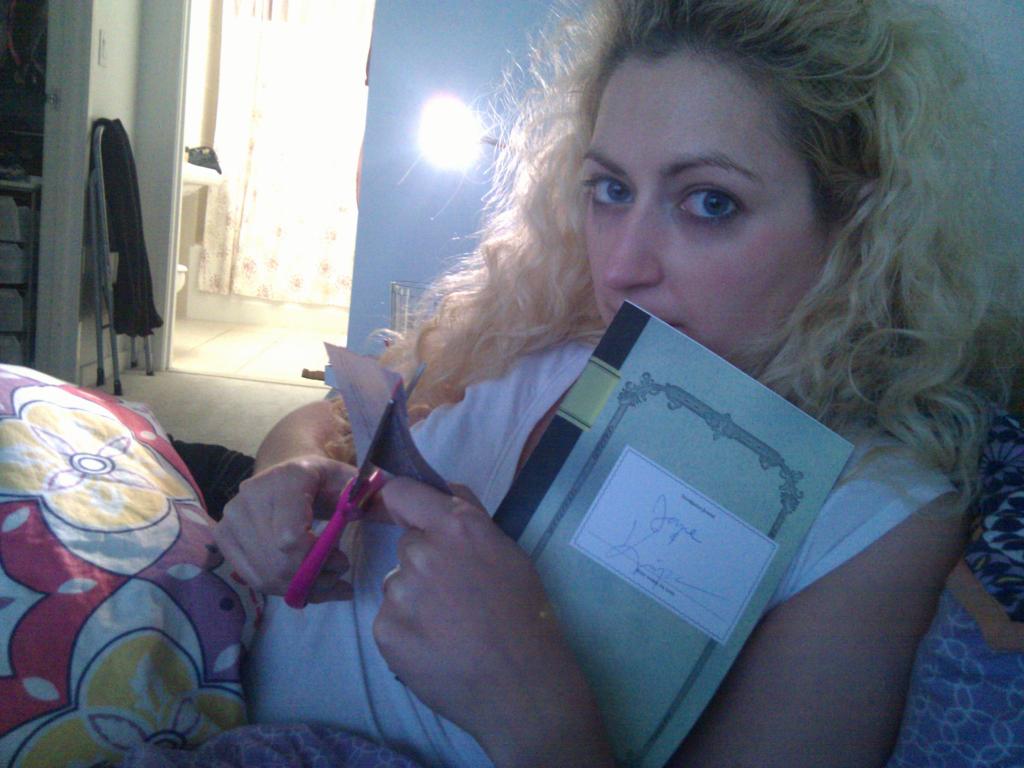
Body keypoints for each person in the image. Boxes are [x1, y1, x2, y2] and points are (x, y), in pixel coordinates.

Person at [212, 1, 1023, 766]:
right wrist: (285, 475)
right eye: (611, 190)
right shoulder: (558, 340)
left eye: (711, 203)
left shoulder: (874, 518)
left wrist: (531, 704)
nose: (623, 266)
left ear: (855, 227)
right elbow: (323, 421)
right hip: (208, 647)